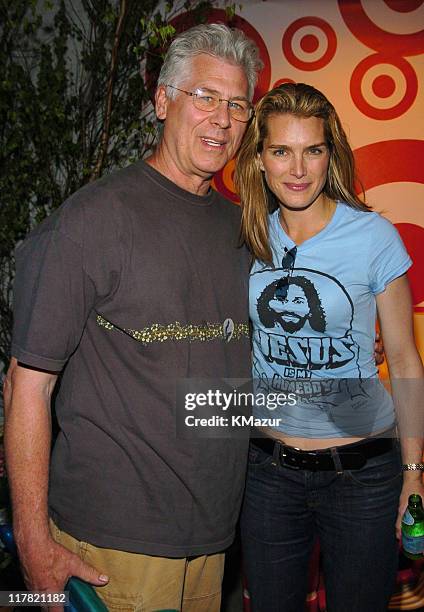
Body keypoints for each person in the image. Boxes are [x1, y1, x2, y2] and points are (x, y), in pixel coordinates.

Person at [3, 24, 262, 612]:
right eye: (205, 97)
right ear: (163, 101)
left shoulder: (240, 231)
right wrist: (32, 540)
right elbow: (26, 385)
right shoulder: (91, 221)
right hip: (111, 548)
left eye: (237, 104)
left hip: (214, 543)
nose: (222, 119)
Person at [235, 82, 424, 612]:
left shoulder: (373, 238)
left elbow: (405, 359)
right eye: (281, 151)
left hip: (362, 478)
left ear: (330, 155)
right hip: (267, 476)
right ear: (260, 159)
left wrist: (414, 473)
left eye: (312, 150)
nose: (298, 169)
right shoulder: (246, 238)